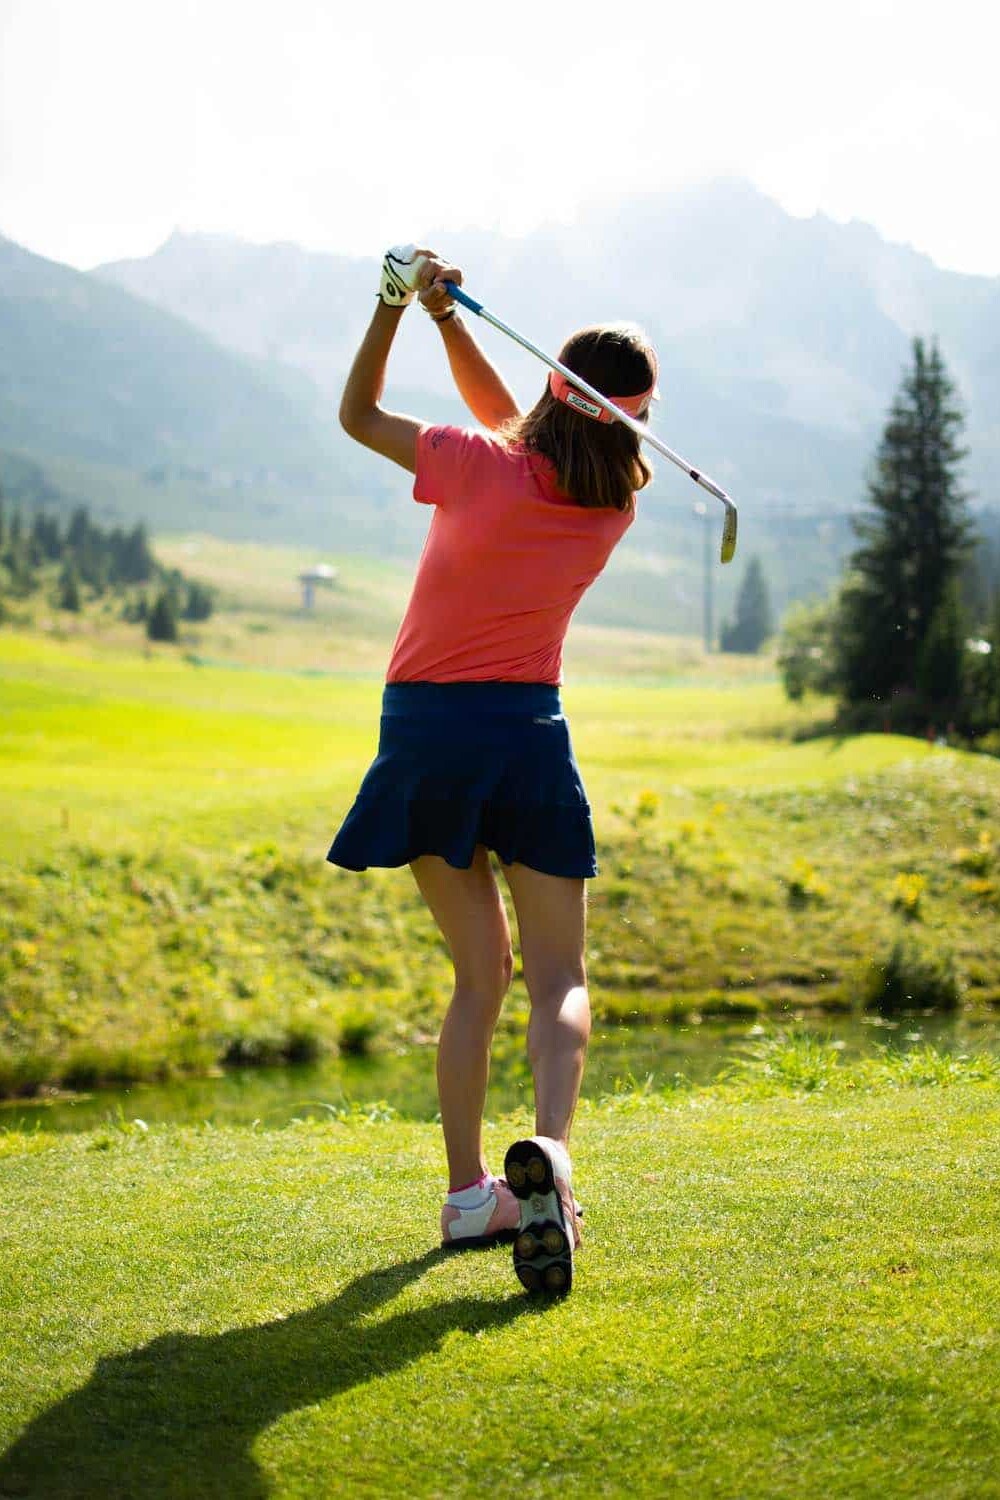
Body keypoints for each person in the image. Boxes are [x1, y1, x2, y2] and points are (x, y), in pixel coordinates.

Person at [328, 246, 658, 1295]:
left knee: (482, 976)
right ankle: (550, 1159)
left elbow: (360, 416)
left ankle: (472, 1192)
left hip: (423, 733)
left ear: (557, 390)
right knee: (558, 977)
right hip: (527, 731)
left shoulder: (476, 465)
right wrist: (448, 322)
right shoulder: (611, 507)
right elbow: (532, 426)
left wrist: (392, 309)